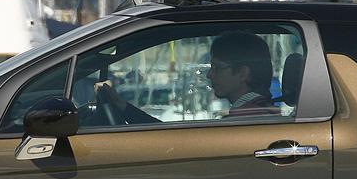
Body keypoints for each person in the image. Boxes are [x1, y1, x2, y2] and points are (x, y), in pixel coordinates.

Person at [94, 30, 279, 122]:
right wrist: (123, 106)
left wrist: (124, 108)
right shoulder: (259, 113)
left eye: (217, 68)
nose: (209, 75)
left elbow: (175, 144)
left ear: (243, 74)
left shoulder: (246, 120)